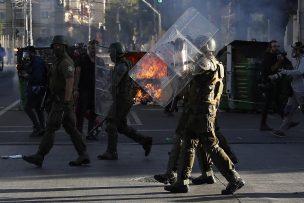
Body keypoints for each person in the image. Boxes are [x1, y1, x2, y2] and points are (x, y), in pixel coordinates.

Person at [164, 36, 245, 194]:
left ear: (204, 47)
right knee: (188, 143)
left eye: (197, 45)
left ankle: (234, 178)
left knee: (211, 146)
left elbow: (188, 71)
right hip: (197, 111)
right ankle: (182, 181)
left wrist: (180, 55)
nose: (195, 48)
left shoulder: (205, 62)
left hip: (203, 112)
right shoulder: (214, 62)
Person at [22, 35, 90, 167]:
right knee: (71, 128)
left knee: (51, 127)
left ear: (64, 47)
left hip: (62, 102)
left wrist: (65, 101)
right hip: (60, 100)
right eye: (54, 46)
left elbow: (70, 81)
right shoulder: (58, 61)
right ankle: (83, 154)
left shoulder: (65, 62)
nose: (55, 49)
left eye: (58, 46)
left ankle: (40, 155)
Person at [97, 42, 152, 160]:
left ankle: (111, 152)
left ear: (116, 53)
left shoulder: (122, 66)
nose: (110, 55)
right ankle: (145, 141)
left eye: (111, 52)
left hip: (122, 98)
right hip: (123, 98)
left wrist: (105, 93)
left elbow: (114, 83)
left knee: (111, 123)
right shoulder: (122, 63)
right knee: (121, 127)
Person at [270, 41, 304, 137]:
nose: (293, 51)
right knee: (288, 110)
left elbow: (299, 72)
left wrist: (285, 72)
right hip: (295, 89)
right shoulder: (298, 59)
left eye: (295, 49)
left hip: (301, 90)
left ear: (300, 50)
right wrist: (278, 75)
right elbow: (290, 71)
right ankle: (282, 130)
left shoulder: (303, 59)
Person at [74, 40, 98, 141]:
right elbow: (77, 73)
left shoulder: (99, 61)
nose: (94, 50)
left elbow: (103, 75)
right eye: (92, 47)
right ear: (88, 48)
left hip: (95, 91)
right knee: (81, 112)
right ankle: (78, 133)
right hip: (84, 89)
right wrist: (75, 88)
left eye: (96, 48)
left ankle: (90, 133)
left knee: (93, 112)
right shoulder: (82, 59)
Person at [23, 46, 47, 137]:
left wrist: (27, 76)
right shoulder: (36, 60)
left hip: (36, 89)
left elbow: (38, 78)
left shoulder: (36, 62)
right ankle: (42, 127)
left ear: (32, 53)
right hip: (39, 88)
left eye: (27, 53)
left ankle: (38, 128)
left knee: (28, 108)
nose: (26, 55)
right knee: (38, 108)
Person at [260, 40, 282, 131]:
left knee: (277, 102)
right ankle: (263, 124)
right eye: (274, 46)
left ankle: (286, 120)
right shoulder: (268, 57)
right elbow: (272, 69)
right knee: (268, 103)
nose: (276, 48)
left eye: (277, 46)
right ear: (270, 47)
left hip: (272, 81)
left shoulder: (273, 55)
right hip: (268, 82)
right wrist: (279, 61)